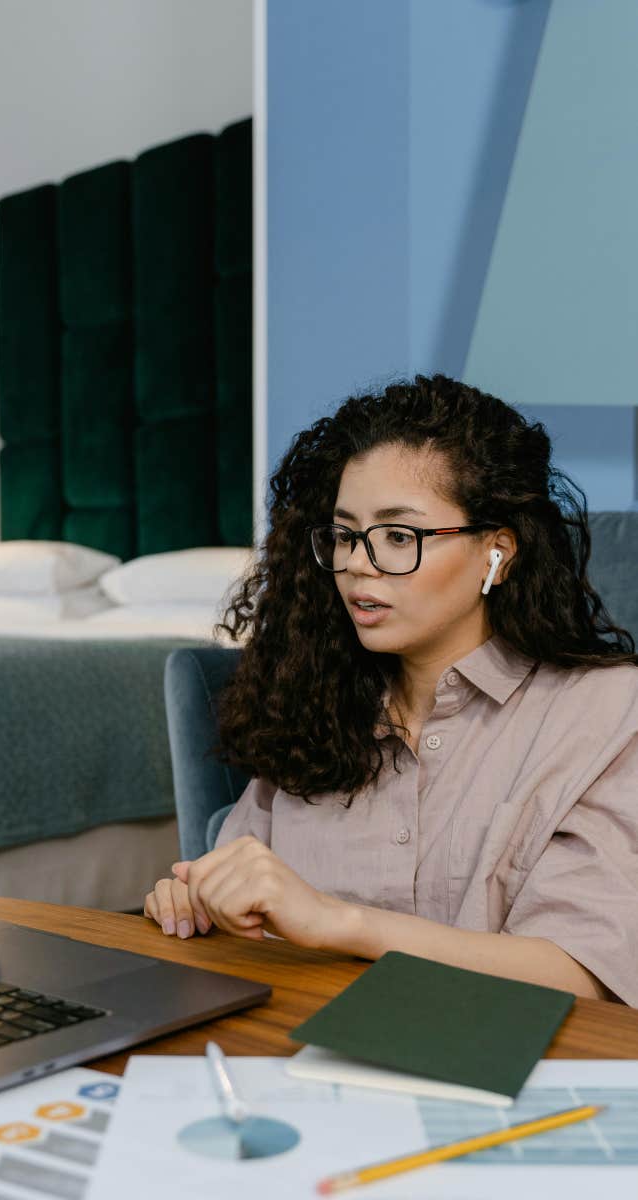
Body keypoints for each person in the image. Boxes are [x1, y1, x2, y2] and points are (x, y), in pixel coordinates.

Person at [143, 375, 638, 1005]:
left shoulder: (607, 712)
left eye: (399, 536)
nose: (357, 563)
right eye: (346, 534)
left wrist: (339, 922)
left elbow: (583, 974)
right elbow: (247, 907)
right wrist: (198, 901)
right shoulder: (311, 702)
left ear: (498, 554)